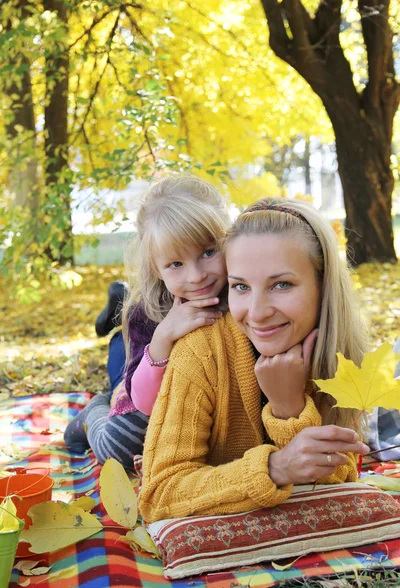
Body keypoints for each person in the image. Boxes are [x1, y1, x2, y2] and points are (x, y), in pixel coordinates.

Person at [139, 198, 371, 523]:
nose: (258, 313)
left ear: (323, 285)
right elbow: (158, 494)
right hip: (141, 398)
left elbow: (339, 479)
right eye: (240, 287)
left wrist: (288, 408)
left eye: (281, 285)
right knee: (113, 434)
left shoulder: (333, 350)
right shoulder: (201, 350)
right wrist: (276, 468)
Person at [64, 175, 231, 467]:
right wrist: (163, 338)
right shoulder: (149, 314)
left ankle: (120, 306)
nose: (196, 276)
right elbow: (142, 399)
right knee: (120, 446)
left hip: (205, 407)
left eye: (208, 252)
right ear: (156, 269)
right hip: (149, 387)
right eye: (176, 264)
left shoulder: (244, 289)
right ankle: (94, 409)